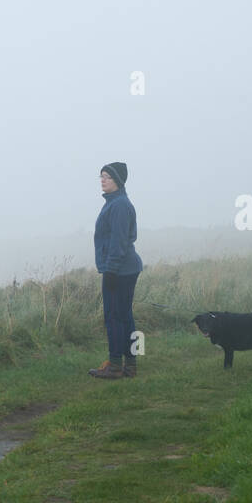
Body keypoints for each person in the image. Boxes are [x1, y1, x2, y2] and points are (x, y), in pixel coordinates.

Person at [90, 161, 143, 379]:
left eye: (107, 177)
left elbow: (118, 241)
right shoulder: (115, 202)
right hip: (124, 268)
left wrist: (110, 270)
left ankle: (114, 366)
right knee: (124, 316)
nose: (102, 180)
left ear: (118, 181)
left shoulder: (119, 205)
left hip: (120, 270)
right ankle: (129, 364)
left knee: (114, 317)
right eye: (101, 176)